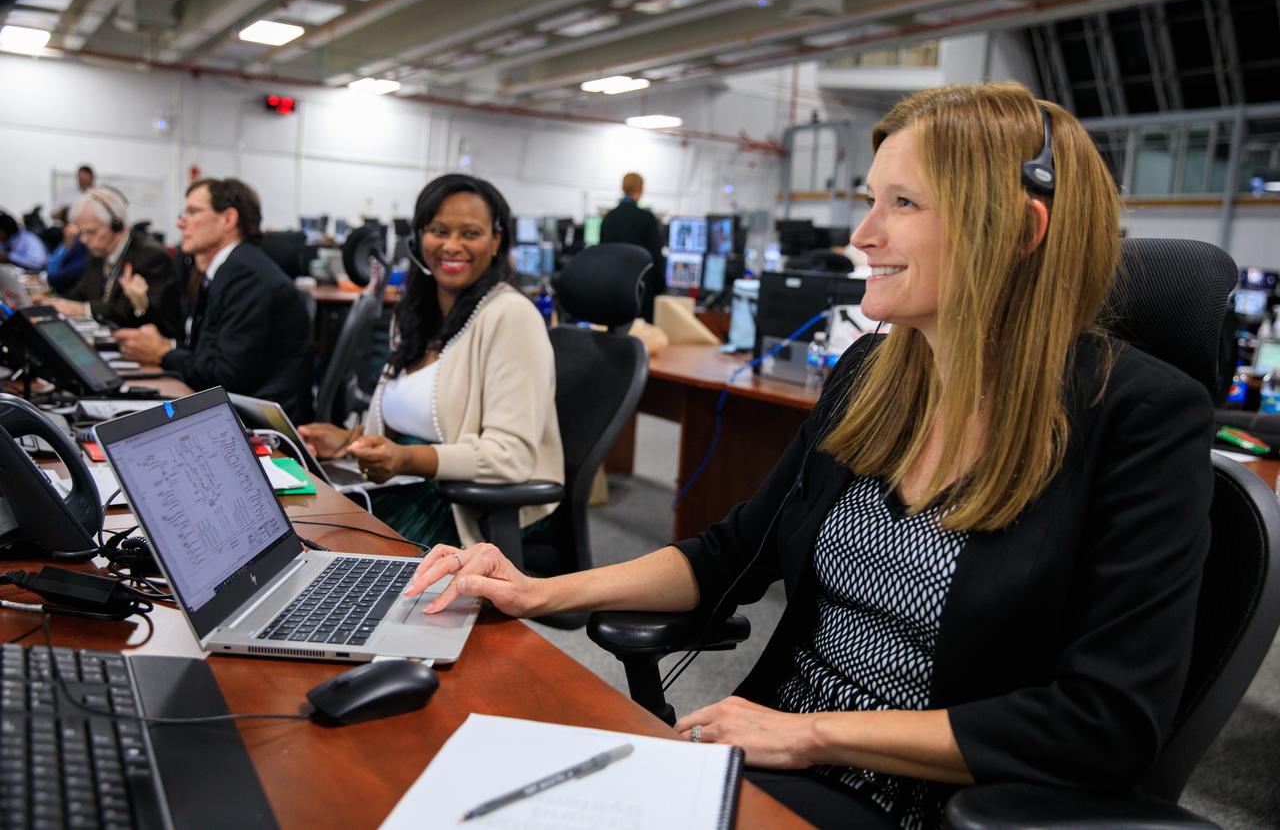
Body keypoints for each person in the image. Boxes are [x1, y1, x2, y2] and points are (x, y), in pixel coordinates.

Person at [402, 83, 1213, 828]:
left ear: (1022, 232)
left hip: (932, 800)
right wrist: (542, 590)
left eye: (903, 203)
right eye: (871, 201)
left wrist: (813, 735)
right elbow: (733, 551)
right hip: (774, 753)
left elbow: (1104, 723)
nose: (864, 235)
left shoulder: (1140, 419)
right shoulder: (876, 376)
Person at [297, 174, 563, 548]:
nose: (452, 246)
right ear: (419, 238)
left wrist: (406, 459)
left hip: (469, 506)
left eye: (470, 233)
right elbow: (412, 420)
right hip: (409, 485)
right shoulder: (417, 314)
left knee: (332, 552)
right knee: (299, 528)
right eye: (439, 230)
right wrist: (347, 442)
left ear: (496, 241)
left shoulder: (511, 316)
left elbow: (511, 457)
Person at [112, 178, 314, 423]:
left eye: (193, 211)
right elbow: (198, 346)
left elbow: (225, 376)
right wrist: (149, 321)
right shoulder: (228, 269)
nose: (180, 222)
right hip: (239, 411)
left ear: (228, 219)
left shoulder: (245, 275)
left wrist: (164, 352)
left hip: (261, 426)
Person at [39, 188, 182, 338]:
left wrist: (83, 309)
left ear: (117, 225)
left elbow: (129, 311)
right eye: (81, 233)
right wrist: (53, 303)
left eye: (91, 232)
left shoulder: (151, 256)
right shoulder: (98, 253)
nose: (83, 240)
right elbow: (81, 294)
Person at [601, 172, 665, 322]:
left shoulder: (608, 218)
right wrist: (661, 287)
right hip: (640, 292)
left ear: (623, 188)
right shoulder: (647, 219)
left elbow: (602, 256)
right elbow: (656, 257)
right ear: (641, 190)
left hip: (613, 290)